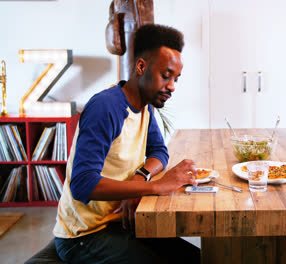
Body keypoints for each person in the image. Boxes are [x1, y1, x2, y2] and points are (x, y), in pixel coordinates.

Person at [53, 24, 200, 263]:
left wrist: (140, 176)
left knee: (197, 258)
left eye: (176, 79)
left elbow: (159, 152)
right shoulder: (106, 107)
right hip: (83, 236)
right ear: (141, 66)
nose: (172, 86)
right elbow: (82, 185)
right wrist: (155, 186)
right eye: (166, 75)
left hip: (119, 223)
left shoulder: (145, 106)